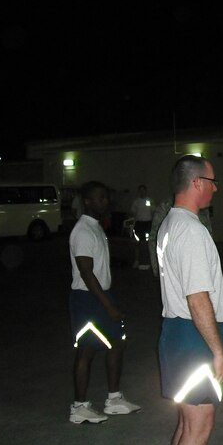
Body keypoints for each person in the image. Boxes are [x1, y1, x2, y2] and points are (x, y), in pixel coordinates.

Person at [156, 155, 223, 445]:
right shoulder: (190, 230)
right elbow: (198, 297)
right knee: (198, 427)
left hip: (180, 333)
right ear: (197, 183)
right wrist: (217, 351)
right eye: (213, 181)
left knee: (188, 425)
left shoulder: (171, 224)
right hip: (194, 338)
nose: (216, 188)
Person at [68, 181, 141, 424]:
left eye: (106, 197)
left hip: (100, 295)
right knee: (87, 349)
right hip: (88, 299)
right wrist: (107, 304)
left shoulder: (95, 227)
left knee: (116, 343)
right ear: (87, 201)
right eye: (100, 198)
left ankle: (114, 400)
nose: (105, 201)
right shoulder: (82, 231)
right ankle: (79, 407)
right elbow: (86, 272)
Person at [150, 197, 213, 277]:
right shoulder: (166, 206)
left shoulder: (201, 207)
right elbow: (154, 236)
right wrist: (157, 266)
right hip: (174, 263)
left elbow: (208, 235)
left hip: (198, 261)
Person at [130, 184, 153, 269]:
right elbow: (132, 212)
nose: (142, 192)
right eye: (140, 190)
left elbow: (153, 211)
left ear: (146, 191)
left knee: (148, 243)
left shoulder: (149, 201)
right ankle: (137, 260)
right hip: (139, 224)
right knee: (137, 243)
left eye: (143, 190)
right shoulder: (136, 202)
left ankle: (148, 261)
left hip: (148, 224)